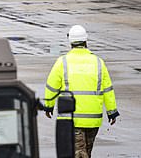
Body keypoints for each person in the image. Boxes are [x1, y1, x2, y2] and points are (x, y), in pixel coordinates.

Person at [44, 25, 119, 158]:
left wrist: (48, 105)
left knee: (78, 154)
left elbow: (51, 86)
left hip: (71, 119)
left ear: (70, 42)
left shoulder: (63, 62)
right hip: (93, 119)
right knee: (86, 153)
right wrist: (112, 111)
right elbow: (107, 89)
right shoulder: (98, 62)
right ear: (86, 41)